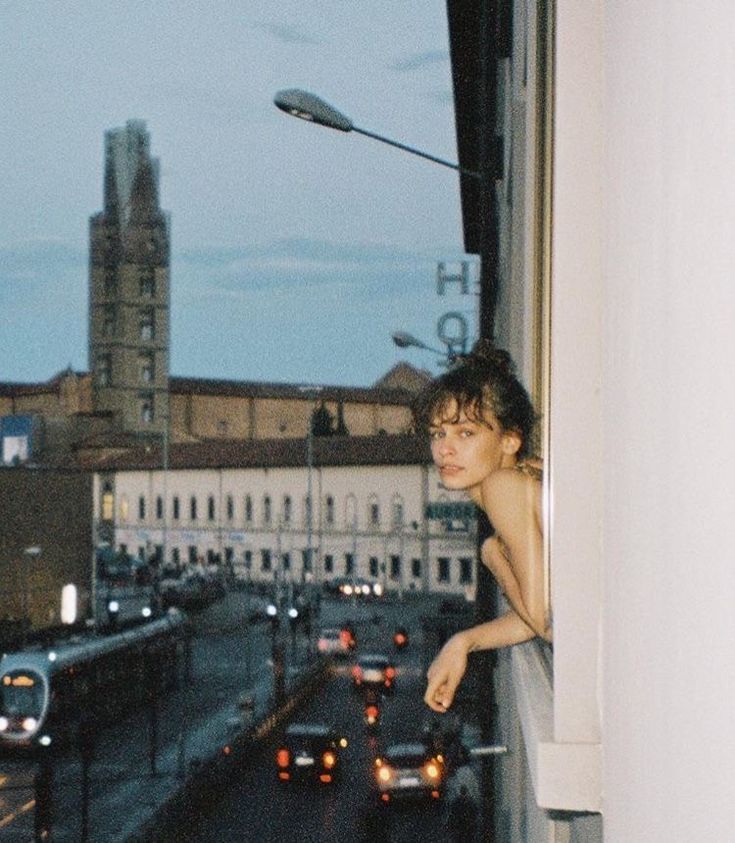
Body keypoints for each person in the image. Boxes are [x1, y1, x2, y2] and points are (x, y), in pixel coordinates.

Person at [415, 340, 549, 714]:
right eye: (438, 433)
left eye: (466, 434)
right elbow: (532, 616)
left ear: (510, 439)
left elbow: (543, 618)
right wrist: (464, 642)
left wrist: (493, 558)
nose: (445, 449)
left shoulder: (502, 487)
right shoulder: (524, 478)